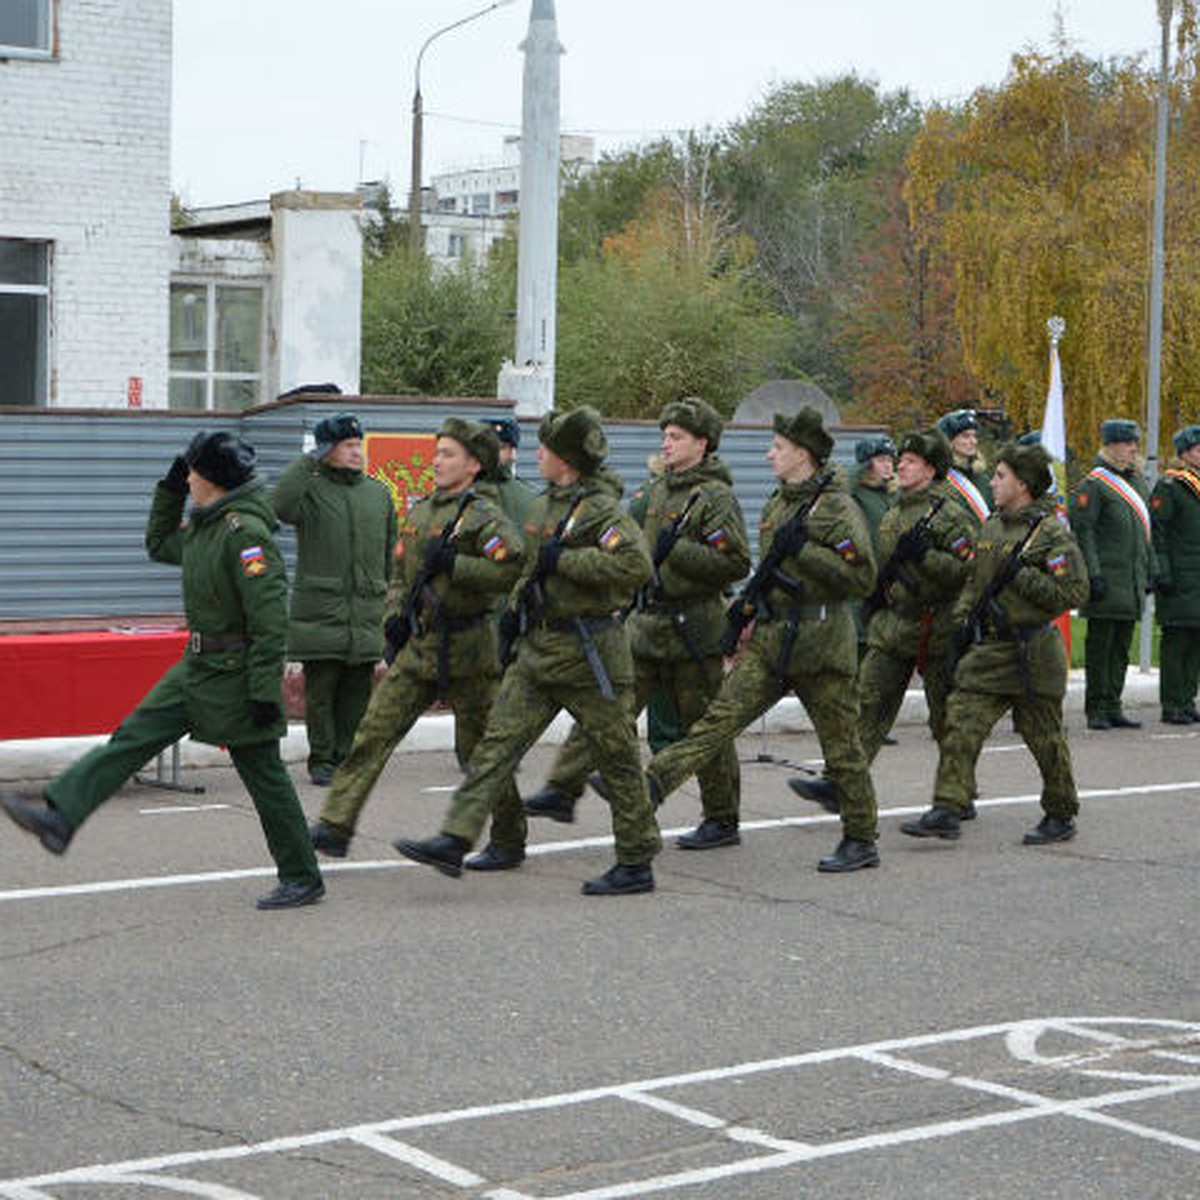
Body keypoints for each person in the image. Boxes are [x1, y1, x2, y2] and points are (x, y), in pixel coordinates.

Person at [1, 432, 324, 909]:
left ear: (212, 479)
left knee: (265, 776)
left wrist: (263, 692)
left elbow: (269, 620)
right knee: (133, 736)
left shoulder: (245, 535)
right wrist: (169, 490)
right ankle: (61, 816)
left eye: (191, 471)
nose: (188, 477)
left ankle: (301, 874)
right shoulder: (207, 527)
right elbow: (157, 544)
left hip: (236, 676)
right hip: (196, 667)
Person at [394, 406, 663, 895]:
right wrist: (515, 613)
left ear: (567, 459)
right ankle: (456, 837)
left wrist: (572, 559)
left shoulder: (601, 510)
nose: (536, 454)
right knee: (496, 743)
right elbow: (529, 568)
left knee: (617, 756)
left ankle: (636, 861)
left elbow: (635, 566)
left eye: (546, 448)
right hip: (540, 649)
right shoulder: (543, 507)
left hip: (591, 651)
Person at [643, 406, 882, 873]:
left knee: (842, 747)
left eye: (778, 447)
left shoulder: (837, 507)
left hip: (821, 642)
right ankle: (651, 785)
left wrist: (808, 552)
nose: (769, 453)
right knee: (718, 720)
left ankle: (860, 837)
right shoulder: (778, 503)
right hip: (774, 639)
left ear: (803, 454)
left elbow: (862, 578)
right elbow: (768, 574)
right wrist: (744, 615)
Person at [522, 398, 751, 849]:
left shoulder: (715, 497)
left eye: (677, 437)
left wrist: (680, 550)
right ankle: (562, 788)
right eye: (664, 435)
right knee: (606, 708)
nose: (666, 443)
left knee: (701, 725)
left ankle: (722, 817)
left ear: (702, 444)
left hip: (693, 629)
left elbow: (736, 562)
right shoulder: (654, 491)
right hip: (646, 624)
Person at [307, 419, 525, 859]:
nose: (437, 461)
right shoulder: (420, 511)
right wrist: (393, 618)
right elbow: (398, 575)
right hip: (420, 645)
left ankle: (507, 838)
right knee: (374, 730)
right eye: (437, 452)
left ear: (474, 465)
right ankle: (335, 824)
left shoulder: (483, 516)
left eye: (448, 454)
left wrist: (459, 566)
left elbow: (511, 568)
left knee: (479, 748)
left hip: (469, 648)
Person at [901, 442, 1089, 845]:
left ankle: (1060, 812)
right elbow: (975, 579)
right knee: (960, 721)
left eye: (1001, 476)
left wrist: (1021, 574)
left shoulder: (1050, 533)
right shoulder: (991, 525)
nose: (993, 482)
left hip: (1033, 651)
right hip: (990, 649)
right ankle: (948, 807)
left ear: (1022, 484)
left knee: (1045, 737)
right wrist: (963, 619)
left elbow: (1072, 592)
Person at [793, 430, 976, 815]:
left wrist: (926, 556)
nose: (901, 466)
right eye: (901, 459)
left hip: (937, 627)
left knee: (946, 717)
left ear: (930, 469)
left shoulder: (950, 513)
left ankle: (957, 794)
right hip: (893, 625)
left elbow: (968, 572)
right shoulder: (894, 512)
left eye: (910, 461)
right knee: (866, 704)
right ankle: (839, 782)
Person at [271, 411, 398, 787]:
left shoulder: (377, 493)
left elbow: (388, 551)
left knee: (358, 691)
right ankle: (322, 760)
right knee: (322, 691)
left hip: (365, 609)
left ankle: (347, 756)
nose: (357, 452)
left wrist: (382, 594)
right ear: (327, 450)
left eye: (359, 445)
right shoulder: (309, 491)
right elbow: (279, 505)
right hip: (321, 611)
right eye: (347, 446)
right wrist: (308, 460)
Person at [1070, 418, 1155, 730]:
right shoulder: (1094, 484)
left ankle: (1113, 704)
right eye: (1126, 443)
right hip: (1106, 577)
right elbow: (1085, 532)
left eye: (1134, 443)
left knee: (1121, 647)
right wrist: (1093, 574)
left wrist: (1151, 570)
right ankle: (1096, 708)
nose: (1133, 448)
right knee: (1100, 646)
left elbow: (1147, 532)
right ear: (1110, 446)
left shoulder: (1138, 483)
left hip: (1131, 578)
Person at [1150, 424, 1200, 724]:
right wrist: (1163, 571)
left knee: (1196, 642)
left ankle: (1187, 700)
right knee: (1177, 641)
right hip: (1180, 576)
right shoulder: (1171, 487)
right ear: (1184, 454)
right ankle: (1172, 703)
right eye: (1197, 449)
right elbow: (1159, 533)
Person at [937, 408, 992, 526]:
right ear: (949, 441)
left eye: (974, 436)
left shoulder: (983, 478)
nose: (973, 441)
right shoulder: (940, 477)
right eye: (965, 436)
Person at [483, 414, 538, 527]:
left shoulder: (531, 497)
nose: (492, 453)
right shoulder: (461, 490)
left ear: (513, 453)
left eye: (500, 448)